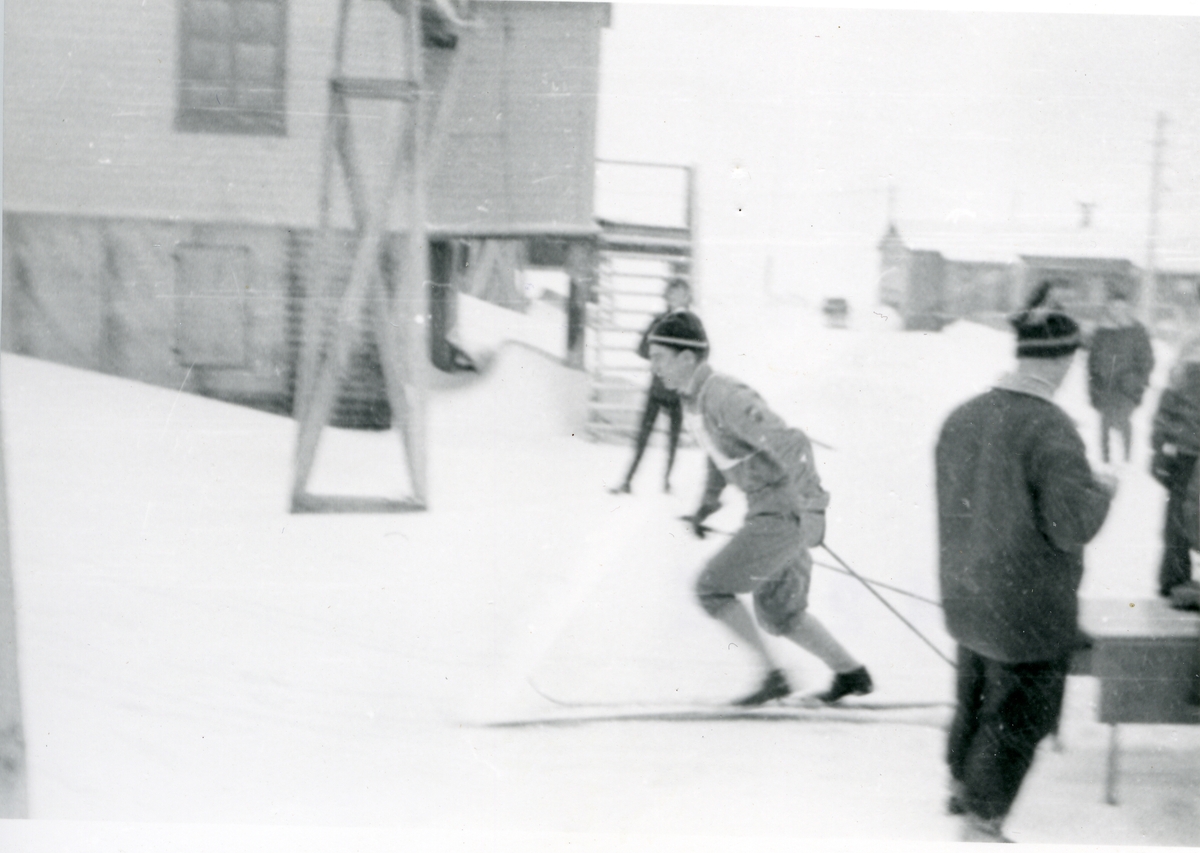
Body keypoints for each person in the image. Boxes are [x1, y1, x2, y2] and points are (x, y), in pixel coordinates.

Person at [935, 288, 1116, 843]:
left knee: (975, 695)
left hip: (967, 595)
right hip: (1028, 608)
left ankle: (962, 787)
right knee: (1020, 715)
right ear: (1063, 360)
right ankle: (983, 819)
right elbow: (1069, 527)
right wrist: (1102, 492)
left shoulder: (962, 416)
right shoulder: (1051, 428)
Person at [647, 312, 873, 707]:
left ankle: (774, 677)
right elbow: (720, 458)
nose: (654, 367)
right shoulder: (695, 402)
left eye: (660, 357)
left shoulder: (724, 395)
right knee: (779, 613)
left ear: (687, 358)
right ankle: (850, 672)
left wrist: (814, 509)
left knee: (710, 588)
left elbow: (792, 444)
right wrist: (705, 508)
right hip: (773, 510)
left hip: (782, 512)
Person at [611, 279, 699, 495]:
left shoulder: (693, 325)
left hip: (679, 390)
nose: (677, 298)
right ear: (666, 297)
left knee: (673, 440)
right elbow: (641, 348)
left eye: (682, 294)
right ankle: (627, 480)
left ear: (688, 298)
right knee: (643, 436)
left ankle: (667, 482)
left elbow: (702, 354)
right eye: (673, 294)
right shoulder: (658, 321)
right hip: (657, 388)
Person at [1150, 331, 1200, 600]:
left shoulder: (1189, 346)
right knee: (1179, 516)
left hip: (1186, 449)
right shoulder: (1189, 346)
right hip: (1187, 450)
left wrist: (1159, 445)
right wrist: (1158, 445)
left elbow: (1167, 402)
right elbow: (1168, 401)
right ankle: (1173, 578)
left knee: (1179, 515)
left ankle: (1174, 578)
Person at [1086, 293, 1154, 463]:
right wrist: (1093, 388)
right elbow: (1092, 362)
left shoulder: (1137, 331)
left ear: (1128, 309)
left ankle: (1127, 463)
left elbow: (1147, 360)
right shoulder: (1101, 332)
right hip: (1105, 386)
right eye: (1114, 307)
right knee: (1105, 425)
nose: (1118, 311)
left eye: (1122, 308)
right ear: (1108, 308)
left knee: (1123, 423)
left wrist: (1137, 381)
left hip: (1127, 387)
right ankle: (1105, 462)